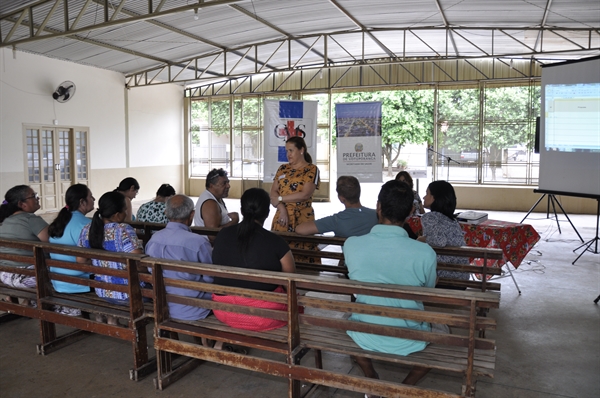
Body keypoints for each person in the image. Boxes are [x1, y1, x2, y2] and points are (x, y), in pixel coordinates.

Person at [343, 180, 437, 392]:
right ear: (411, 212)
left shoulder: (352, 245)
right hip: (411, 338)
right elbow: (429, 292)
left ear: (378, 207)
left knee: (346, 320)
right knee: (443, 329)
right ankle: (403, 388)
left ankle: (371, 375)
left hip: (364, 333)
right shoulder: (425, 253)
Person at [212, 188, 295, 331]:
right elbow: (291, 282)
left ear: (241, 209)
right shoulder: (276, 242)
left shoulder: (223, 235)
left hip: (223, 310)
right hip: (263, 316)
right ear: (267, 213)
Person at [77, 191, 144, 325]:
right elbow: (138, 263)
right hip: (127, 294)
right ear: (117, 215)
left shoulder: (87, 229)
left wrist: (102, 263)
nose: (126, 213)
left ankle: (113, 321)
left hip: (101, 291)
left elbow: (80, 260)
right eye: (125, 210)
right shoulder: (123, 230)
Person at [145, 195, 214, 321]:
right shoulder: (199, 242)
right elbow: (211, 278)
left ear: (166, 213)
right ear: (192, 215)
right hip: (195, 310)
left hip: (162, 307)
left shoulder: (153, 240)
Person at [47, 184, 95, 316]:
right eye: (91, 196)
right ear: (82, 202)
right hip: (79, 283)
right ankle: (108, 318)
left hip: (58, 281)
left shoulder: (58, 223)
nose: (94, 199)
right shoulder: (86, 224)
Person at [270, 136, 320, 262]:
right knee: (280, 252)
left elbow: (305, 194)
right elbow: (273, 194)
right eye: (286, 151)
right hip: (282, 218)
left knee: (302, 255)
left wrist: (280, 198)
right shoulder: (282, 169)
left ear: (301, 150)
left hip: (302, 217)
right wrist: (282, 209)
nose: (288, 154)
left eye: (291, 150)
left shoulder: (311, 169)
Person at [420, 180, 470, 282]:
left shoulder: (430, 217)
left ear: (434, 198)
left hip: (444, 278)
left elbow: (439, 241)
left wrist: (421, 239)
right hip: (461, 278)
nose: (424, 197)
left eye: (427, 194)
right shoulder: (452, 220)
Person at [0, 185, 48, 291]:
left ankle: (24, 301)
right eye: (33, 196)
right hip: (27, 277)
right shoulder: (31, 220)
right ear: (21, 204)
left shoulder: (3, 220)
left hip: (4, 275)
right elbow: (53, 245)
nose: (37, 198)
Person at [296, 175, 377, 238]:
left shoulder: (337, 220)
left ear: (341, 198)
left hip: (349, 259)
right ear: (359, 193)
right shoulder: (376, 215)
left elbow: (300, 229)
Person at [193, 168, 239, 234]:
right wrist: (234, 221)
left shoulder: (217, 197)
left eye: (228, 182)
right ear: (211, 186)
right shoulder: (210, 203)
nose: (228, 186)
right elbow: (212, 235)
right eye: (224, 183)